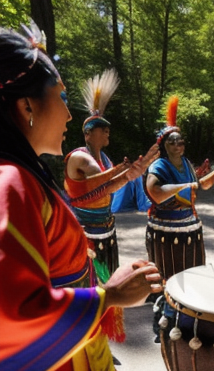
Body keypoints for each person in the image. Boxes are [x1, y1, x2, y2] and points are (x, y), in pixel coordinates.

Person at [0, 25, 162, 371]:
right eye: (61, 97)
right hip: (60, 367)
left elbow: (104, 188)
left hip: (76, 349)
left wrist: (127, 172)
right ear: (27, 105)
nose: (69, 116)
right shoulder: (10, 181)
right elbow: (9, 314)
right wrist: (109, 295)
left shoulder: (23, 174)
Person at [64, 69, 159, 341]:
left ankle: (102, 332)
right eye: (102, 129)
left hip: (106, 230)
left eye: (107, 129)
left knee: (108, 283)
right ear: (88, 134)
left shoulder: (103, 157)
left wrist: (130, 174)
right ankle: (86, 334)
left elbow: (109, 187)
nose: (107, 133)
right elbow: (98, 181)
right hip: (87, 235)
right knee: (89, 285)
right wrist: (126, 172)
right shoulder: (79, 158)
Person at [144, 95, 214, 280]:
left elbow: (201, 185)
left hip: (189, 223)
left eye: (181, 142)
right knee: (171, 276)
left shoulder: (186, 163)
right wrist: (188, 185)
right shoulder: (158, 166)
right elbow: (155, 192)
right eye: (173, 142)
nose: (178, 145)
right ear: (164, 145)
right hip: (166, 226)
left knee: (193, 275)